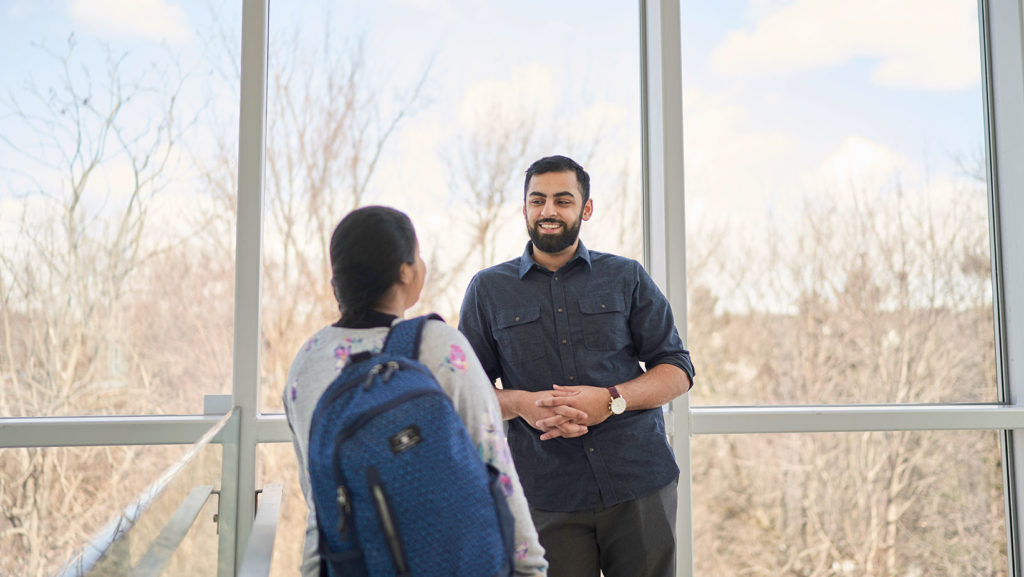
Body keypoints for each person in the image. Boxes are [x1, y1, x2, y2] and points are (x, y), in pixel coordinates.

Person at [458, 155, 695, 577]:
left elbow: (677, 368)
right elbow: (468, 391)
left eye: (563, 200)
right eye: (538, 200)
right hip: (546, 494)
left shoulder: (627, 277)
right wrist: (523, 404)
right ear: (525, 208)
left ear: (586, 209)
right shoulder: (488, 289)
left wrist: (612, 400)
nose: (549, 211)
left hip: (637, 483)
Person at [283, 205, 548, 577]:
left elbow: (319, 492)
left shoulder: (306, 361)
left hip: (348, 563)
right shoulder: (438, 346)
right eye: (418, 255)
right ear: (406, 271)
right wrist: (530, 566)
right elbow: (493, 462)